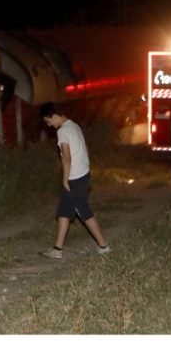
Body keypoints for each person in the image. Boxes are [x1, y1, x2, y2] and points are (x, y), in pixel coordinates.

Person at [39, 102, 111, 259]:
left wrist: (65, 179)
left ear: (55, 116)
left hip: (74, 178)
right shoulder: (74, 126)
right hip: (83, 174)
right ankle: (57, 249)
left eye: (48, 121)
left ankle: (104, 246)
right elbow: (85, 149)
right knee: (64, 212)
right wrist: (86, 167)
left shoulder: (63, 132)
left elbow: (66, 157)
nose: (49, 125)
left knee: (84, 212)